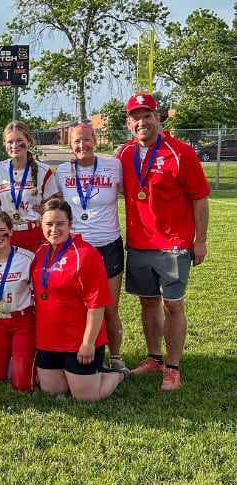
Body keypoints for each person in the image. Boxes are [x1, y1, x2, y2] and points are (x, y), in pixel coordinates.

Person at [116, 93, 211, 391]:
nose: (141, 122)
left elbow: (199, 197)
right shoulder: (123, 154)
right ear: (129, 123)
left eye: (147, 116)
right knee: (148, 303)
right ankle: (154, 358)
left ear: (158, 118)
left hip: (174, 244)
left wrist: (200, 241)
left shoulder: (180, 152)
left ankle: (173, 366)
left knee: (173, 305)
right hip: (139, 244)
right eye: (136, 117)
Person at [31, 199, 126, 401]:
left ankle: (117, 375)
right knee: (52, 391)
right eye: (49, 224)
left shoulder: (86, 254)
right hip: (49, 341)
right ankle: (76, 376)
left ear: (70, 223)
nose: (54, 229)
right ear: (41, 225)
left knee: (86, 398)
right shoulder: (40, 252)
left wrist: (88, 343)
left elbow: (97, 305)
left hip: (78, 341)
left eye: (60, 224)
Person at [54, 123, 128, 374]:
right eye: (76, 141)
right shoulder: (62, 171)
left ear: (95, 140)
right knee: (78, 307)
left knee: (108, 308)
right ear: (70, 144)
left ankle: (116, 357)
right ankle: (80, 350)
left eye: (86, 140)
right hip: (76, 248)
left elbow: (134, 195)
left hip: (108, 245)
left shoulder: (114, 165)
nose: (82, 145)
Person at [0, 211, 36, 391]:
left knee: (22, 385)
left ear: (11, 231)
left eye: (2, 230)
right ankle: (15, 360)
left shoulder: (27, 258)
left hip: (23, 323)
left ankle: (25, 362)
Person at [0, 121, 60, 252]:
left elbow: (54, 205)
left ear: (29, 141)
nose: (15, 145)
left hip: (36, 234)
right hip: (10, 235)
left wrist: (46, 208)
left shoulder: (43, 170)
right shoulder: (0, 168)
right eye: (10, 142)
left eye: (19, 140)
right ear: (4, 144)